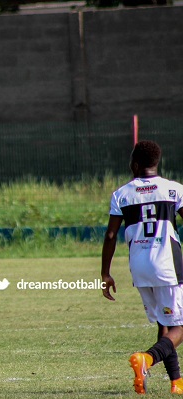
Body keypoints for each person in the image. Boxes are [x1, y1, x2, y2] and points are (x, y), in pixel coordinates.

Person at [102, 140, 183, 395]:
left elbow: (111, 236)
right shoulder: (173, 189)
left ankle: (176, 381)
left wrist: (105, 272)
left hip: (139, 267)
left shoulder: (122, 194)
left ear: (134, 164)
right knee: (180, 325)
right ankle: (146, 359)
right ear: (156, 163)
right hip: (168, 264)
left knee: (164, 320)